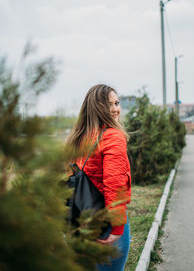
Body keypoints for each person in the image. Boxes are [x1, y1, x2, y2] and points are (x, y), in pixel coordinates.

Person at [66, 84, 131, 271]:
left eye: (117, 103)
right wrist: (118, 228)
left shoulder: (80, 136)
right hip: (107, 221)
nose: (115, 109)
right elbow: (114, 185)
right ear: (96, 108)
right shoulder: (113, 137)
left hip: (81, 217)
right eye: (108, 104)